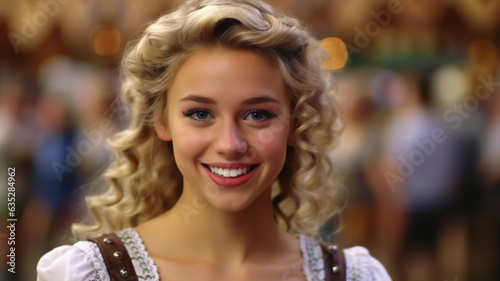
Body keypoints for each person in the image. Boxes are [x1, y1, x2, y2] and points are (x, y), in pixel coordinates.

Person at [37, 0, 392, 280]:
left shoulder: (356, 275)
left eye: (258, 114)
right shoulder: (88, 274)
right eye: (200, 114)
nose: (230, 144)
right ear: (161, 121)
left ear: (295, 124)